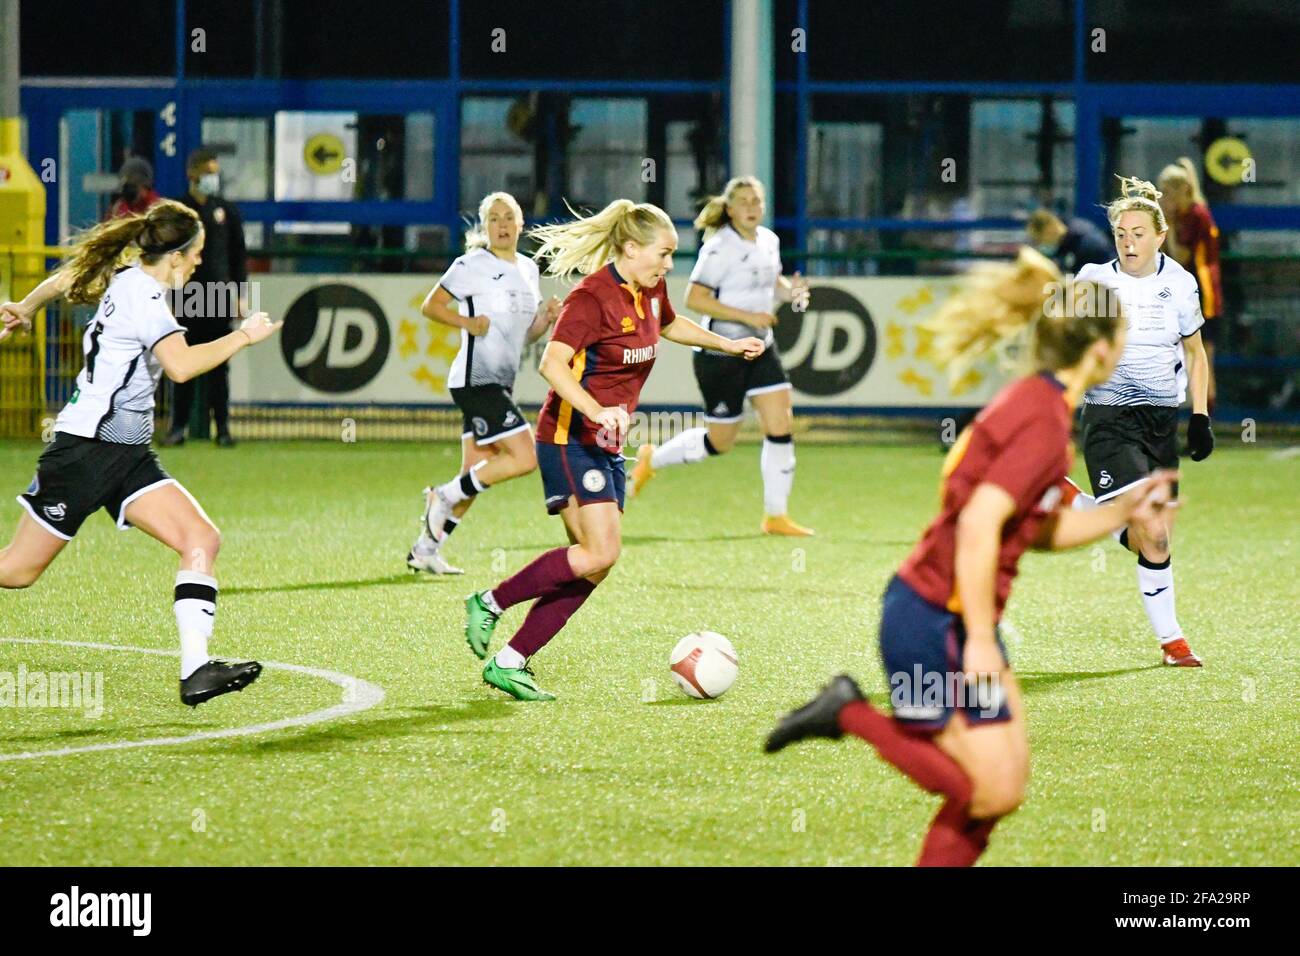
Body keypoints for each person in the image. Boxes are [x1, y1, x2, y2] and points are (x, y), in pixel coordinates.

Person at [764, 248, 1178, 866]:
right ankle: (847, 711)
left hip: (952, 618)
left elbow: (1029, 531)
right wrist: (983, 637)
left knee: (1001, 789)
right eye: (1121, 335)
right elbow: (983, 523)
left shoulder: (1041, 406)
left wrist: (1122, 512)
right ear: (1098, 351)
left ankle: (849, 710)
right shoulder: (1041, 421)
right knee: (980, 788)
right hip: (930, 621)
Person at [461, 199, 765, 701]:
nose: (669, 265)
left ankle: (511, 660)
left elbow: (670, 325)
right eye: (664, 254)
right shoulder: (591, 298)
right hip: (567, 439)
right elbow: (552, 367)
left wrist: (727, 344)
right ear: (630, 247)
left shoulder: (649, 289)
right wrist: (596, 410)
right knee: (601, 551)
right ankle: (490, 601)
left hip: (604, 444)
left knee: (594, 562)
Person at [0, 200, 282, 706]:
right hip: (85, 452)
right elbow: (180, 366)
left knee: (201, 538)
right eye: (195, 255)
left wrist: (27, 305)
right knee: (17, 571)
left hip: (126, 455)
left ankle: (196, 671)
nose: (198, 264)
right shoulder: (146, 298)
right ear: (175, 256)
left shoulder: (125, 276)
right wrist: (244, 336)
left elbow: (67, 280)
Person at [1072, 176, 1212, 667]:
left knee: (1155, 536)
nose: (1128, 242)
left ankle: (1076, 505)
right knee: (1151, 527)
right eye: (1120, 234)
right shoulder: (1091, 280)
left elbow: (1195, 353)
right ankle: (1173, 640)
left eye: (1137, 233)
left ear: (1159, 234)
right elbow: (1059, 346)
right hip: (1109, 417)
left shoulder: (1180, 283)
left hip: (1160, 422)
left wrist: (1199, 417)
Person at [627, 176, 814, 536]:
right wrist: (747, 318)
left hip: (761, 347)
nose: (750, 208)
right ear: (729, 209)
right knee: (720, 442)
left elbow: (772, 284)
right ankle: (653, 458)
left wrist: (792, 294)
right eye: (742, 202)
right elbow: (694, 299)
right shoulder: (719, 247)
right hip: (721, 353)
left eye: (756, 201)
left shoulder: (769, 241)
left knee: (781, 422)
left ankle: (775, 515)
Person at [410, 191, 561, 575]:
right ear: (485, 227)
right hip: (475, 381)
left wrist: (545, 320)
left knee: (476, 473)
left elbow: (521, 335)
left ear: (522, 222)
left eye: (508, 217)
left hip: (502, 382)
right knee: (524, 458)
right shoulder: (472, 263)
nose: (502, 225)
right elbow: (431, 306)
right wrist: (467, 323)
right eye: (493, 218)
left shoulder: (529, 269)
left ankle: (426, 548)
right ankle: (441, 496)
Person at [162, 148, 249, 448]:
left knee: (218, 366)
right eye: (208, 172)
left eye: (215, 172)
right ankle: (178, 428)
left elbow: (238, 255)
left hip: (219, 296)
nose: (213, 178)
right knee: (181, 363)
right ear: (192, 174)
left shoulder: (226, 210)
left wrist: (240, 294)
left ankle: (222, 428)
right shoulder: (179, 211)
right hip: (186, 297)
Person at [1158, 157, 1224, 409]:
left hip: (1202, 295)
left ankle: (1204, 415)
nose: (1163, 198)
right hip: (1182, 294)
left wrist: (1170, 224)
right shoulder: (1184, 215)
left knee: (1202, 355)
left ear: (1180, 190)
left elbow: (1181, 256)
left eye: (1166, 191)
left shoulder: (1196, 215)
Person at [1025, 208, 1113, 273]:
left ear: (1048, 230)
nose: (1041, 244)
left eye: (1040, 240)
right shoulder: (1066, 241)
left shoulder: (1088, 244)